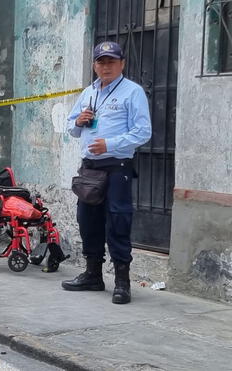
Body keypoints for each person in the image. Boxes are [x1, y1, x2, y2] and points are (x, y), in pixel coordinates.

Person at [62, 41, 152, 304]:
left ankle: (122, 282)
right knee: (87, 221)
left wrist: (109, 145)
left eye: (111, 61)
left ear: (122, 64)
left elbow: (143, 132)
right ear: (94, 65)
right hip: (90, 170)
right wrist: (78, 122)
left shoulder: (132, 92)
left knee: (118, 222)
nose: (106, 66)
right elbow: (70, 125)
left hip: (116, 169)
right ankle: (93, 275)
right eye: (101, 62)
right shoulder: (88, 92)